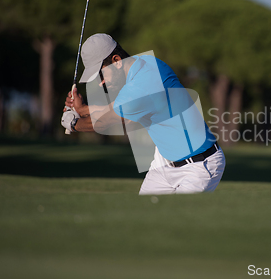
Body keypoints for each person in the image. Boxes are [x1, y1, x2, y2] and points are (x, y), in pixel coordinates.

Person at [61, 33, 225, 195]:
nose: (100, 82)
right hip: (164, 164)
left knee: (176, 221)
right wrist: (81, 109)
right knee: (141, 218)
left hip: (199, 166)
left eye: (100, 74)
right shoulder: (143, 65)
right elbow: (115, 108)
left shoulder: (144, 83)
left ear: (116, 61)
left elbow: (107, 122)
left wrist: (73, 124)